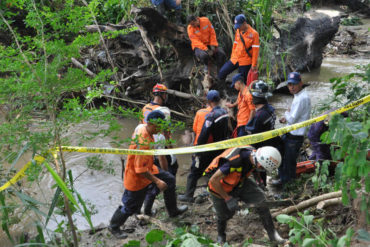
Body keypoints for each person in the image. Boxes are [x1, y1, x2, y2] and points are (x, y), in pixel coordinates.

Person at [108, 110, 188, 239]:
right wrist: (157, 181)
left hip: (149, 168)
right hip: (136, 177)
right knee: (130, 206)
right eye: (160, 127)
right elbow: (140, 170)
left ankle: (173, 211)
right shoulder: (143, 142)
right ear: (152, 124)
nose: (161, 129)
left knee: (170, 179)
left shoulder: (142, 127)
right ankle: (114, 227)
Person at [204, 145, 286, 244]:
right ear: (260, 164)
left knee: (260, 199)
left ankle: (272, 234)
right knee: (224, 215)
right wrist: (228, 198)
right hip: (218, 186)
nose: (262, 169)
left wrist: (259, 183)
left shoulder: (254, 155)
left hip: (238, 181)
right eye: (262, 168)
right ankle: (221, 235)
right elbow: (213, 181)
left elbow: (254, 169)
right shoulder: (233, 162)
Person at [178, 90, 229, 202]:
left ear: (209, 101)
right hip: (219, 147)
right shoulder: (224, 112)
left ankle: (189, 196)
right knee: (213, 170)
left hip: (207, 148)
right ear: (219, 100)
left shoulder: (210, 115)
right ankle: (213, 192)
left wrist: (198, 150)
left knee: (194, 172)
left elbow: (202, 134)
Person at [272, 72, 311, 186]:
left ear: (300, 84)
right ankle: (283, 179)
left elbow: (292, 118)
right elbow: (294, 116)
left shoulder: (301, 99)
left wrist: (286, 113)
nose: (291, 87)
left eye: (294, 84)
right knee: (283, 156)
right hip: (291, 133)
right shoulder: (299, 96)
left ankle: (286, 186)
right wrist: (287, 116)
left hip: (295, 136)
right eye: (289, 84)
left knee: (288, 161)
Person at [245, 80, 282, 186]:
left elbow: (250, 130)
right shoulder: (270, 109)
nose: (251, 98)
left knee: (258, 167)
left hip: (259, 145)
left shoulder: (260, 115)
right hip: (269, 142)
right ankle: (263, 185)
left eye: (253, 96)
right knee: (263, 167)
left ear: (257, 97)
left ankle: (260, 186)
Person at [218, 14, 259, 83]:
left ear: (244, 23)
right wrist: (232, 56)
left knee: (242, 81)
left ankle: (241, 93)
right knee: (222, 73)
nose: (238, 28)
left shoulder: (254, 34)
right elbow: (235, 44)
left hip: (245, 61)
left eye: (239, 26)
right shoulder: (238, 31)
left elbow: (255, 51)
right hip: (235, 58)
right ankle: (222, 89)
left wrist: (253, 65)